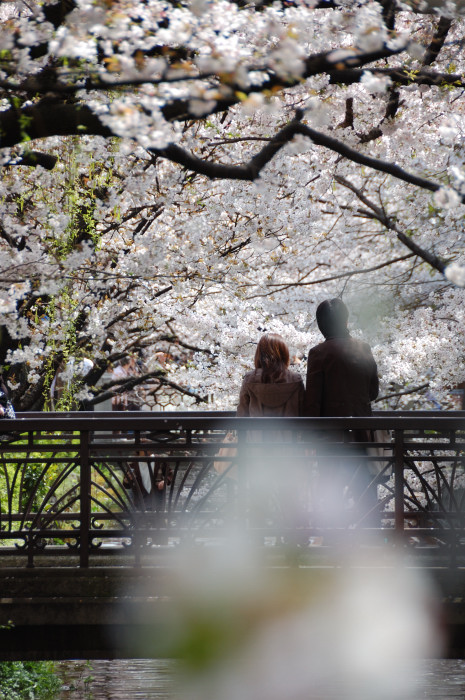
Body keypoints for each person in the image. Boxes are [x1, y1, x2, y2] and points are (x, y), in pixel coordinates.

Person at [303, 298, 379, 526]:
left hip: (330, 437)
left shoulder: (318, 353)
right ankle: (370, 536)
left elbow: (313, 403)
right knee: (364, 486)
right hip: (361, 432)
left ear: (321, 324)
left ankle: (332, 537)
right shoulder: (363, 348)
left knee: (330, 487)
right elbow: (373, 392)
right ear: (345, 320)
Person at [237, 333, 304, 417]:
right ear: (285, 353)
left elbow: (242, 415)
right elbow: (303, 411)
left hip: (257, 429)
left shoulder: (250, 378)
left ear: (259, 354)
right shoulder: (295, 379)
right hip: (289, 429)